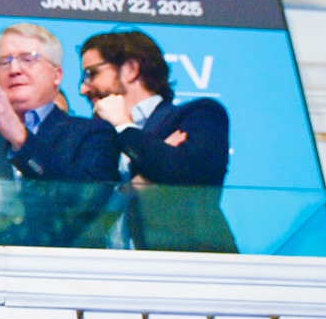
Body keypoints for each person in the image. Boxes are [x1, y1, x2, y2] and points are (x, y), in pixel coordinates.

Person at [0, 22, 120, 246]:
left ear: (57, 75)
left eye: (28, 59)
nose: (14, 69)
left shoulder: (93, 133)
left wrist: (21, 139)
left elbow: (85, 204)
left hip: (64, 264)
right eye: (4, 61)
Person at [80, 29, 235, 252]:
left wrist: (124, 126)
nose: (83, 89)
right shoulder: (99, 138)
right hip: (108, 267)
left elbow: (183, 171)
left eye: (91, 73)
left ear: (130, 70)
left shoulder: (199, 114)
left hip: (186, 264)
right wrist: (141, 182)